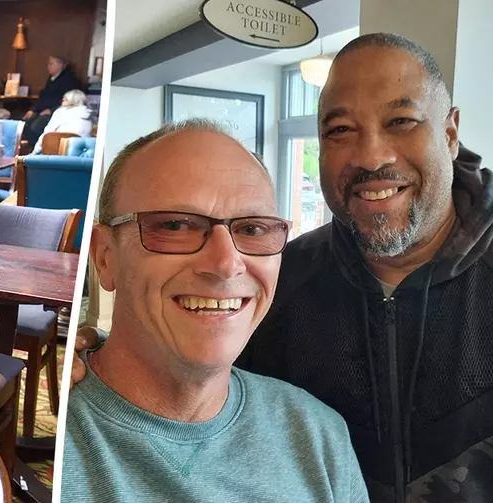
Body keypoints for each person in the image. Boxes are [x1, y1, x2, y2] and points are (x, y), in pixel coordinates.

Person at [232, 33, 493, 501]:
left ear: (450, 134)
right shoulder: (276, 281)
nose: (371, 156)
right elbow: (201, 394)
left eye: (401, 120)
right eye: (340, 131)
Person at [62, 118, 367, 501]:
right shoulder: (65, 438)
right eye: (175, 225)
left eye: (253, 230)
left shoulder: (318, 436)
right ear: (105, 258)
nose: (226, 263)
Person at [21, 56, 81, 146]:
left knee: (36, 126)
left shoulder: (69, 79)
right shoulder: (51, 78)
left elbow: (68, 101)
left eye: (51, 63)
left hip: (56, 111)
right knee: (25, 123)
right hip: (41, 110)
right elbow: (44, 97)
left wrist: (51, 110)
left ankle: (38, 151)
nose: (48, 66)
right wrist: (32, 110)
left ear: (60, 65)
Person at [30, 89, 94, 154]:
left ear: (72, 101)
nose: (62, 101)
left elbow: (46, 133)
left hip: (55, 154)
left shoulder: (60, 112)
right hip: (79, 155)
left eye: (65, 99)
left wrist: (34, 153)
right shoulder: (89, 115)